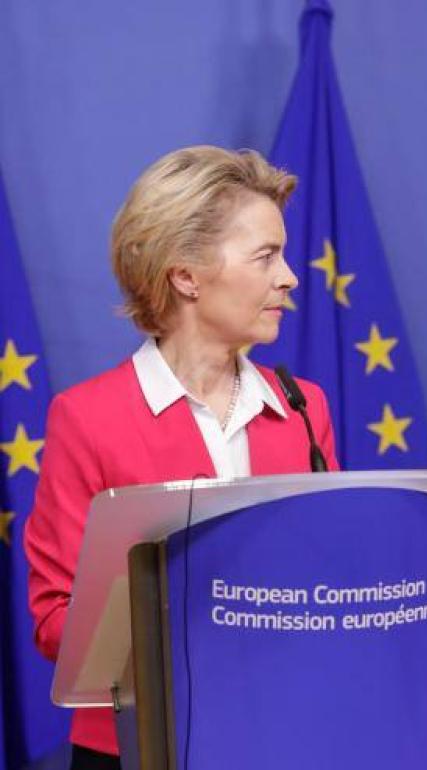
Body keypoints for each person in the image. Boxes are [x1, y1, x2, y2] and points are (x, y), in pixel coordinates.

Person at [24, 146, 339, 769]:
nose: (290, 278)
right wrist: (192, 613)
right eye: (266, 256)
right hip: (137, 749)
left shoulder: (308, 410)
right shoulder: (87, 419)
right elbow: (54, 620)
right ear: (186, 275)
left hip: (281, 737)